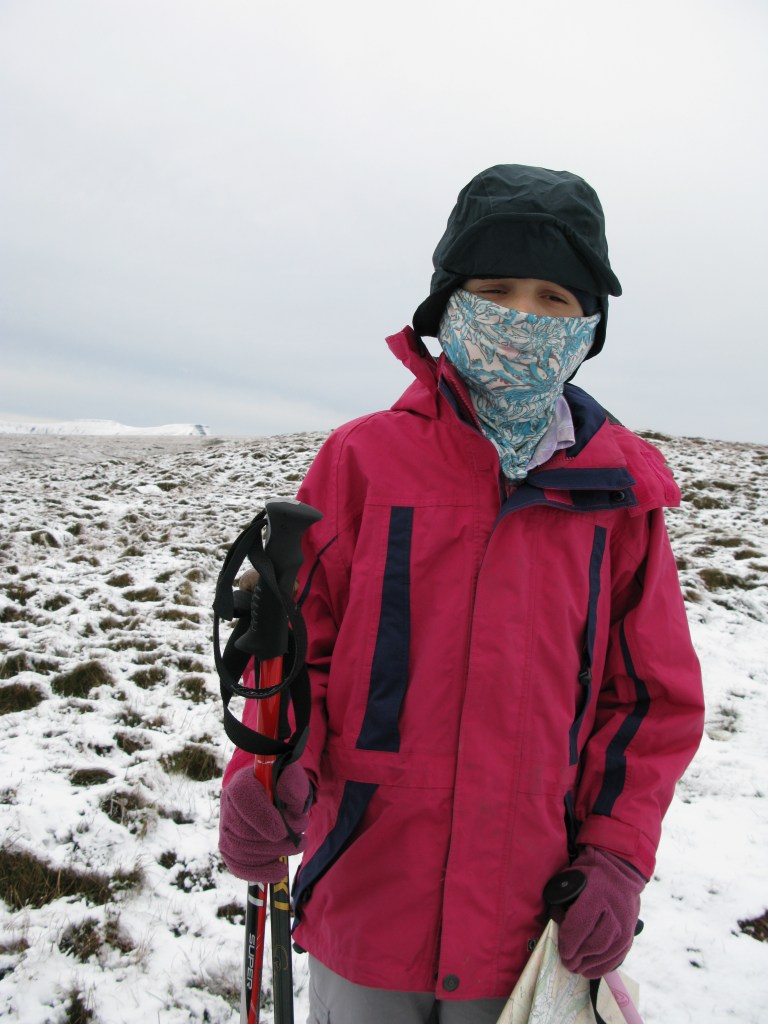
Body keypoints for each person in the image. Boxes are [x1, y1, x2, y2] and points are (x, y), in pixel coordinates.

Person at [219, 164, 705, 1023]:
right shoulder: (363, 462)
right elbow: (298, 651)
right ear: (448, 304)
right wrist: (268, 771)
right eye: (494, 290)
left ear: (588, 325)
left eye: (554, 297)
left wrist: (618, 855)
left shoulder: (622, 497)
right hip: (367, 904)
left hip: (527, 927)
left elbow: (648, 702)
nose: (523, 317)